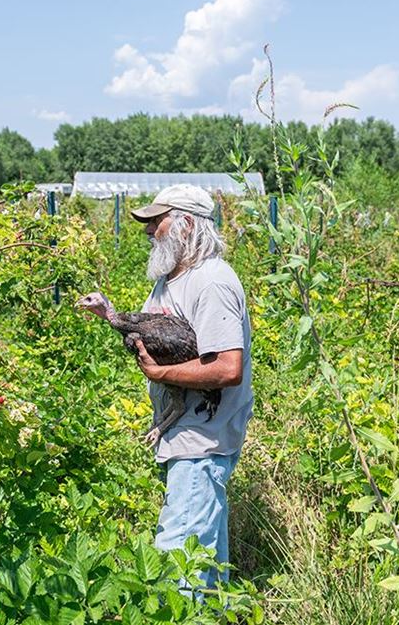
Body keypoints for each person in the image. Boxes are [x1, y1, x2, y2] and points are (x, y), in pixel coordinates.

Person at [129, 184, 254, 590]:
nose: (149, 231)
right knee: (205, 554)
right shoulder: (172, 278)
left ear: (184, 224)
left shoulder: (212, 282)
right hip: (186, 433)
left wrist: (161, 375)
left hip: (202, 439)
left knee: (177, 553)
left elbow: (227, 368)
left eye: (156, 221)